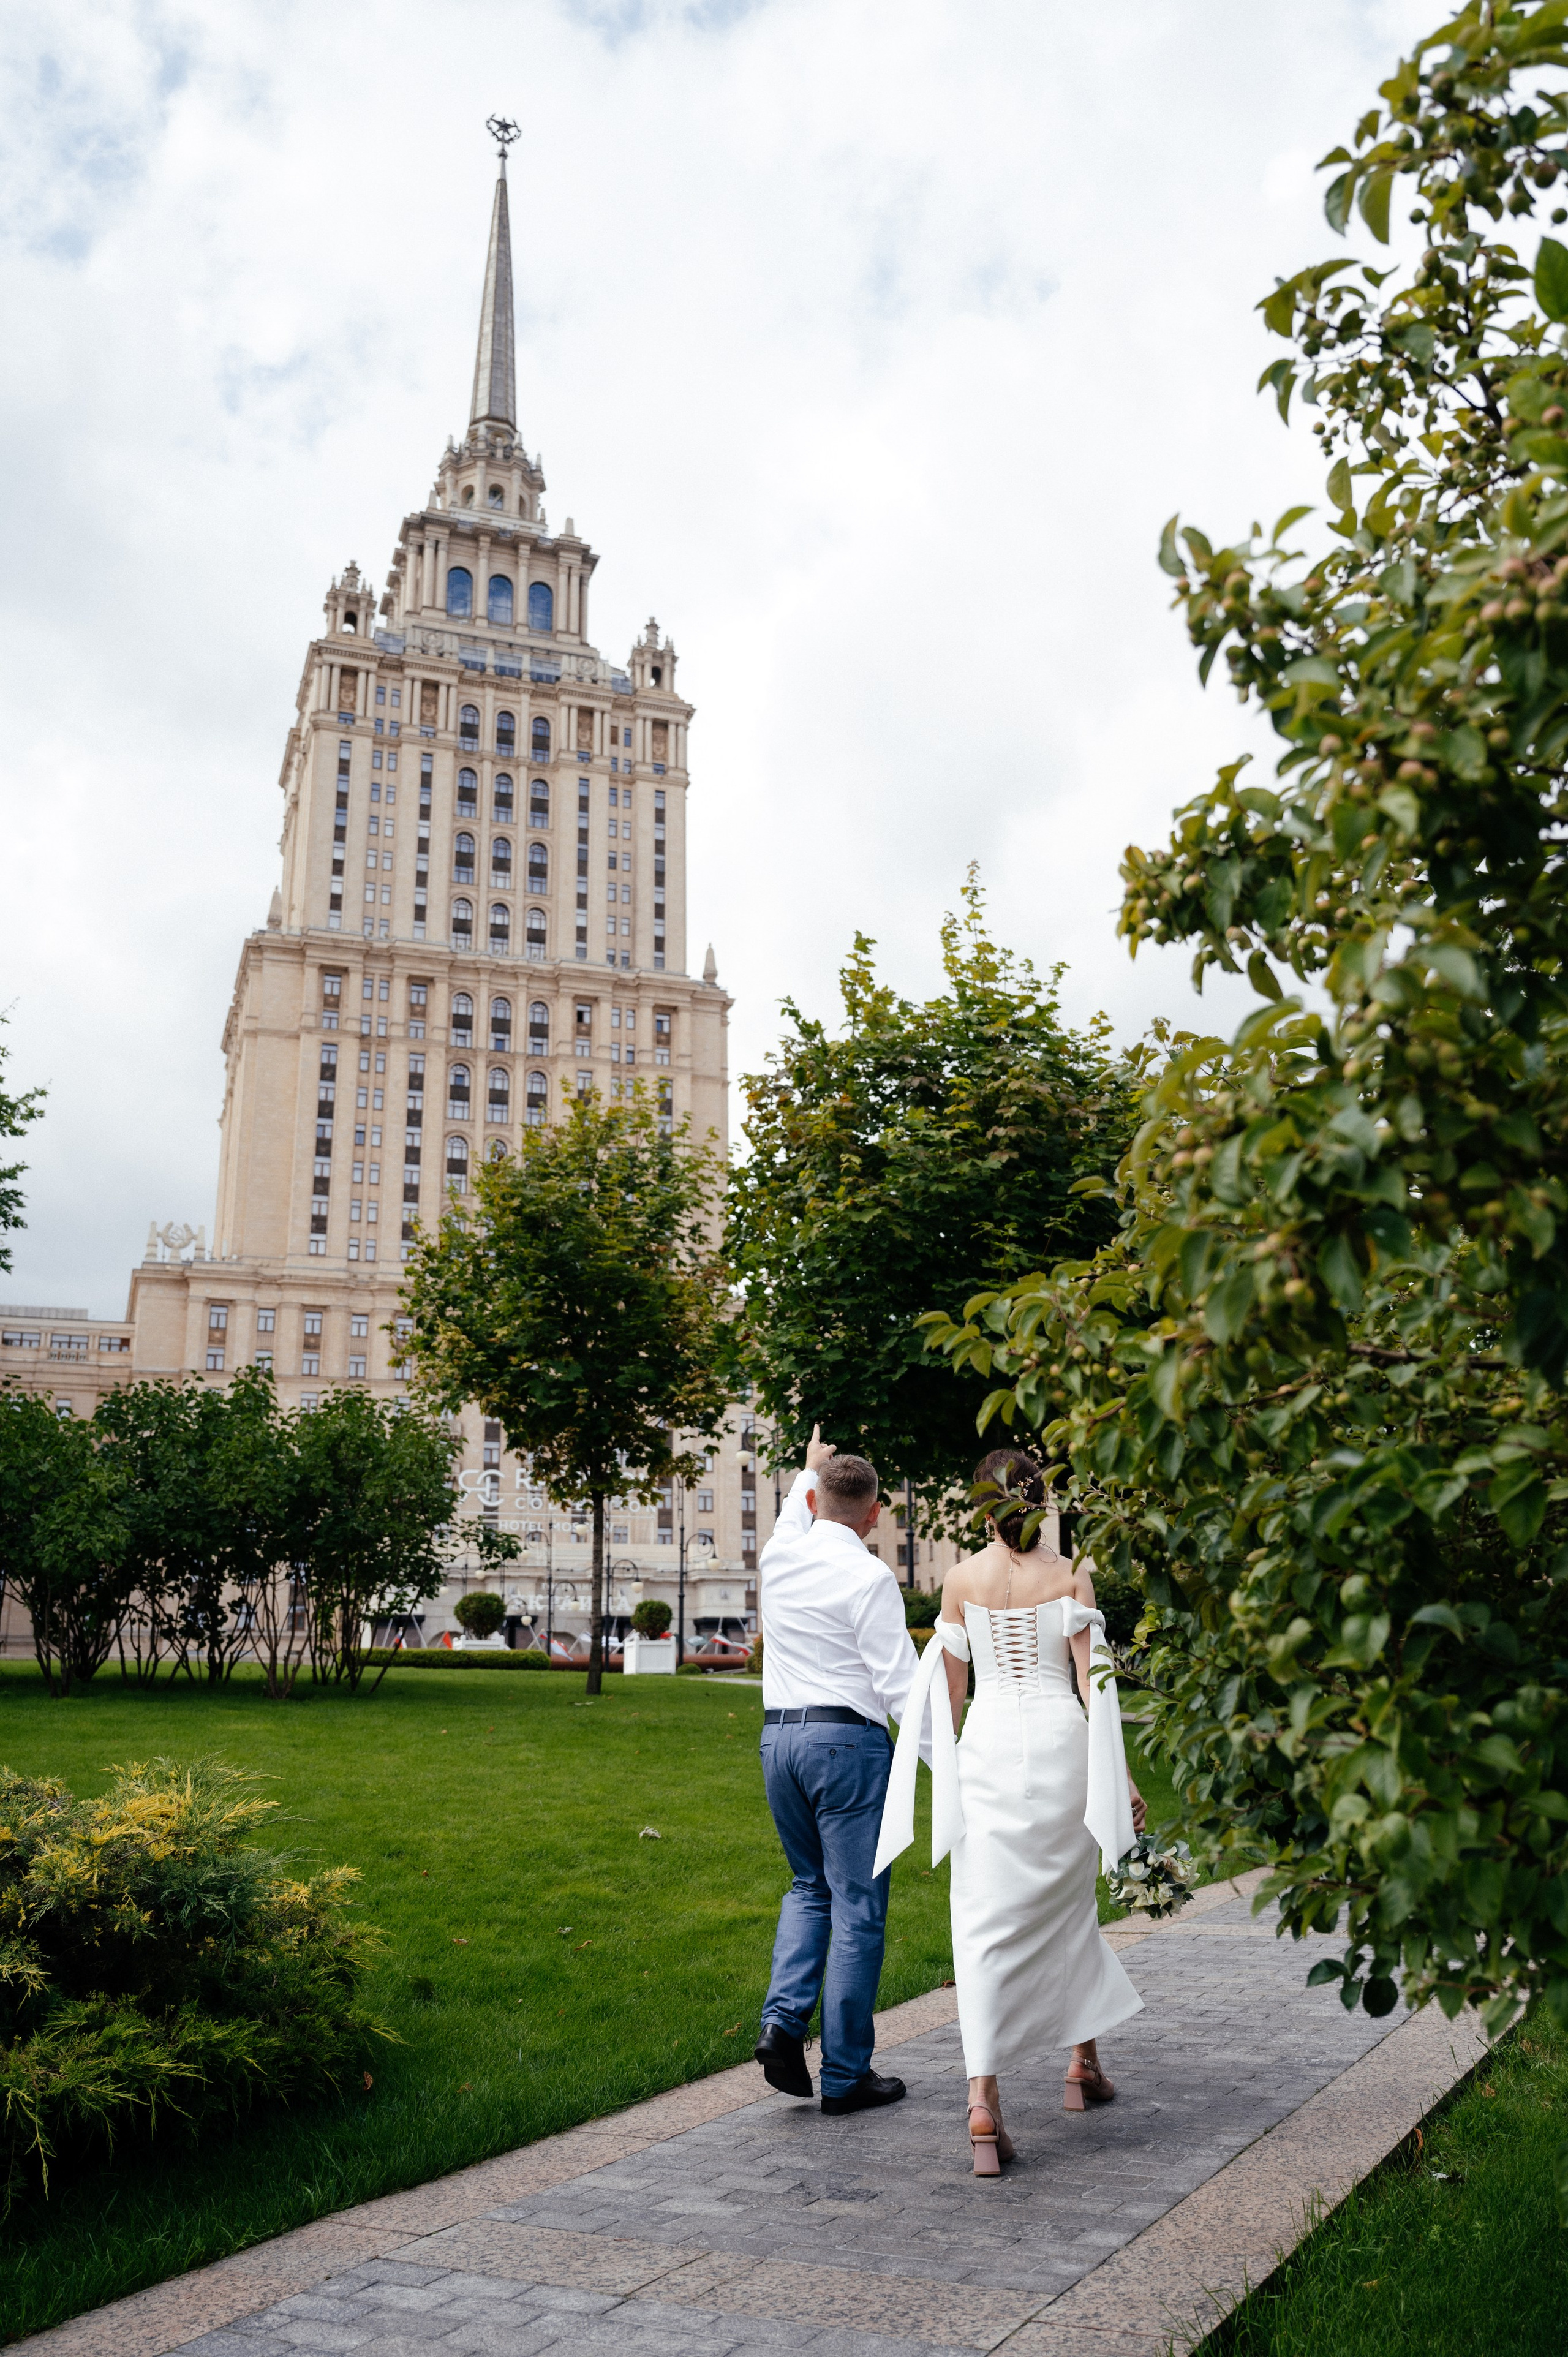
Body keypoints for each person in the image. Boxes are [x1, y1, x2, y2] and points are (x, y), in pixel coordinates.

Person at [874, 1447, 1146, 2175]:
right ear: (1041, 1499)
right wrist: (1118, 1780)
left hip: (989, 1748)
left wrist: (952, 1774)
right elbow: (1096, 1688)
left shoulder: (961, 1577)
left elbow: (952, 1697)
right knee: (1067, 1907)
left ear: (980, 1506)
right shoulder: (1070, 1573)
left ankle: (985, 2101)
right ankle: (1079, 2064)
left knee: (985, 1921)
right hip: (1061, 1749)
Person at [752, 1425, 920, 2115]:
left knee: (806, 1885)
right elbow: (902, 1688)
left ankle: (783, 2022)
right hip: (846, 1746)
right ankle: (847, 2075)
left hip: (777, 1744)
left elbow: (800, 1503)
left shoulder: (780, 1554)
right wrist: (962, 1773)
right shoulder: (870, 1575)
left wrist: (806, 1467)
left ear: (818, 1501)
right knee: (858, 1908)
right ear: (876, 1513)